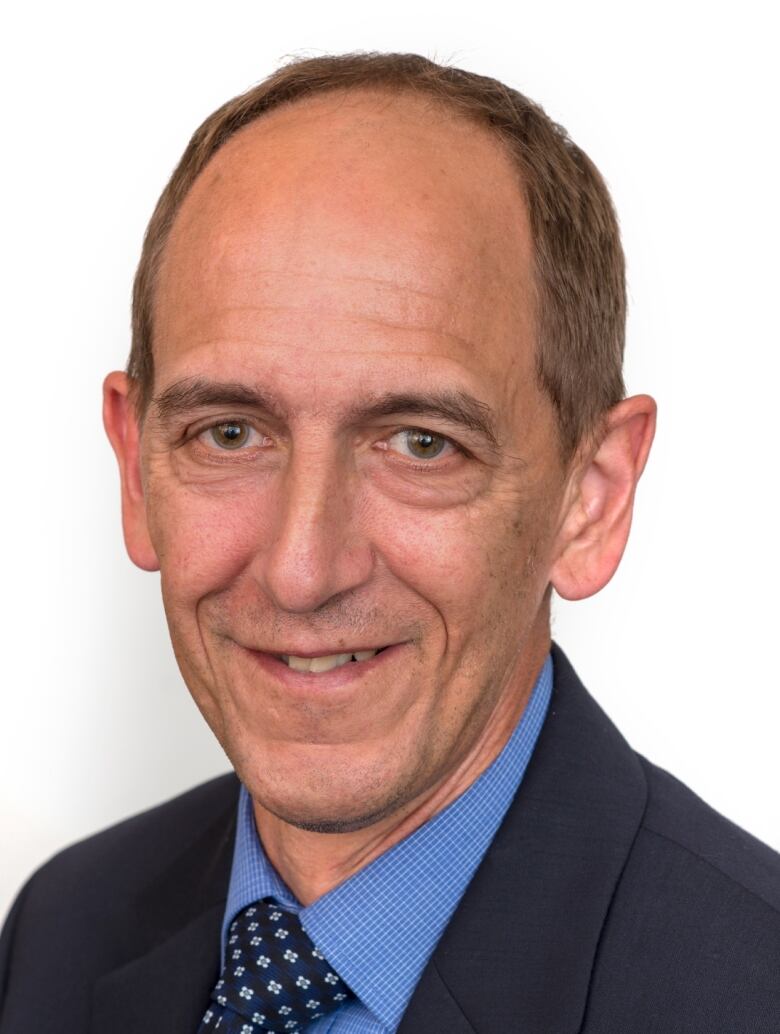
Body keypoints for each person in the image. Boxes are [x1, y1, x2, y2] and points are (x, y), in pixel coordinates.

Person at [1, 51, 778, 1034]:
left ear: (590, 496)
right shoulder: (61, 932)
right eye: (230, 432)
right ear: (134, 465)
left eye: (421, 443)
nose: (300, 568)